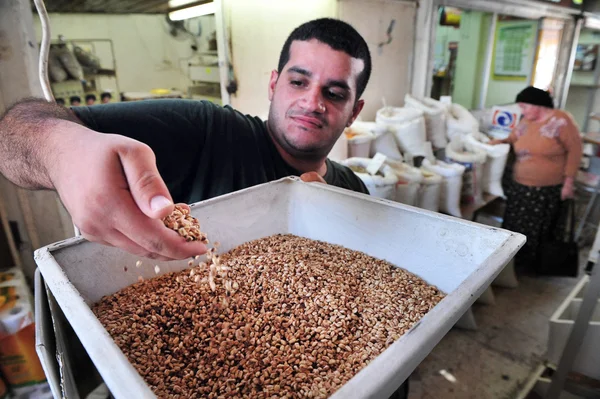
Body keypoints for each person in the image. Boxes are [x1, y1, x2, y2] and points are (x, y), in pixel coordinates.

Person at [490, 86, 583, 268]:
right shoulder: (527, 120)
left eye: (524, 106)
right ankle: (512, 262)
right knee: (516, 224)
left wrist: (569, 182)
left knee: (536, 227)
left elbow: (575, 151)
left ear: (538, 105)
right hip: (520, 184)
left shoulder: (561, 121)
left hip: (545, 188)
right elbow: (513, 137)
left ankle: (531, 265)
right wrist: (497, 142)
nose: (522, 111)